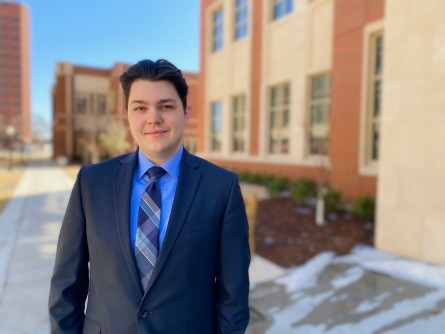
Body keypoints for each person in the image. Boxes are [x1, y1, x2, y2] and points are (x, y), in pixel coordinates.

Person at [48, 59, 250, 333]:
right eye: (140, 107)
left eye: (166, 106)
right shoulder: (91, 182)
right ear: (128, 115)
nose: (153, 118)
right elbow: (66, 285)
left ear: (185, 112)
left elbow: (233, 295)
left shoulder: (221, 187)